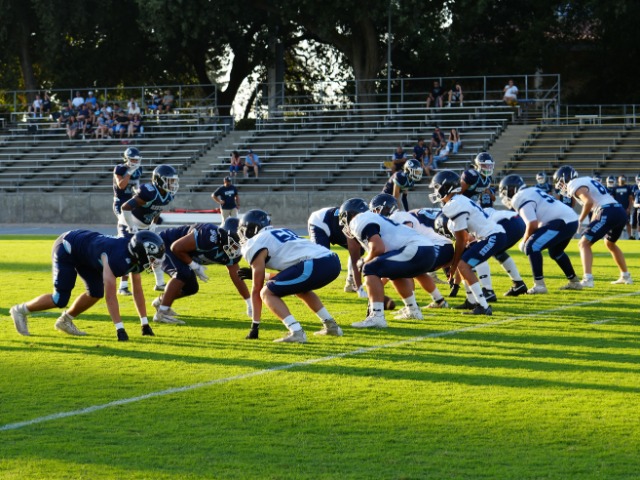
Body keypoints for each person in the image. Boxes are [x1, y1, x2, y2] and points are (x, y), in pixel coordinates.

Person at [9, 230, 164, 341]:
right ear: (141, 253)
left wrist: (144, 324)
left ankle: (65, 321)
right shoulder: (116, 258)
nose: (154, 262)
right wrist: (120, 329)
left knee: (96, 293)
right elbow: (111, 297)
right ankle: (20, 310)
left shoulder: (133, 256)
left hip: (88, 254)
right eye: (152, 258)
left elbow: (138, 291)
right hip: (68, 247)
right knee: (60, 299)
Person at [239, 209, 343, 343]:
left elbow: (256, 289)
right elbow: (289, 275)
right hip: (331, 260)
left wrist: (255, 326)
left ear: (250, 229)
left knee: (267, 292)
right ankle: (331, 326)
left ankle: (296, 332)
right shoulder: (281, 232)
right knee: (300, 289)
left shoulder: (254, 243)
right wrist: (264, 276)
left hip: (314, 263)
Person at [338, 198, 438, 326]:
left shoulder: (358, 220)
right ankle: (413, 310)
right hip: (426, 250)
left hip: (417, 249)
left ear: (350, 214)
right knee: (393, 272)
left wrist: (364, 261)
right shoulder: (371, 217)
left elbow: (378, 248)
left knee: (370, 267)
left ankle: (377, 317)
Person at [429, 170, 510, 315]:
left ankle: (483, 306)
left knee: (463, 265)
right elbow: (464, 239)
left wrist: (453, 267)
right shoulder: (459, 200)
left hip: (491, 236)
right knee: (464, 264)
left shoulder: (454, 204)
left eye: (437, 187)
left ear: (445, 187)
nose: (436, 190)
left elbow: (461, 240)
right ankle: (472, 301)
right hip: (489, 236)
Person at [153, 220, 250, 325]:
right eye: (236, 243)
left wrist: (249, 302)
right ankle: (162, 314)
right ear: (225, 236)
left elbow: (237, 276)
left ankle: (160, 302)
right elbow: (176, 247)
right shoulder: (208, 235)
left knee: (191, 288)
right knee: (182, 273)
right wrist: (194, 265)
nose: (238, 248)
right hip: (165, 244)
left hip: (181, 252)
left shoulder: (231, 253)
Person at [499, 174, 582, 293]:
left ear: (511, 189)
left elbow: (532, 224)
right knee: (556, 252)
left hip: (561, 221)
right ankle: (574, 282)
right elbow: (537, 221)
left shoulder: (518, 197)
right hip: (571, 220)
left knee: (532, 245)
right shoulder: (533, 190)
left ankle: (539, 285)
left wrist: (525, 241)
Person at [554, 165, 632, 287]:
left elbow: (589, 202)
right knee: (610, 243)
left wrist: (579, 220)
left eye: (560, 181)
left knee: (583, 243)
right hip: (618, 210)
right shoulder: (587, 179)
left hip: (607, 211)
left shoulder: (573, 184)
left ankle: (588, 279)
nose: (560, 185)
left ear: (565, 177)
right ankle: (626, 276)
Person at [120, 164, 179, 291]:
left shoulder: (168, 195)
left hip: (145, 226)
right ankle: (123, 287)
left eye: (174, 181)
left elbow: (157, 210)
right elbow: (125, 207)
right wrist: (131, 227)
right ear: (159, 180)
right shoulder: (149, 192)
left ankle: (160, 283)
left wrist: (153, 225)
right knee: (128, 254)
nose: (173, 184)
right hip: (129, 223)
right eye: (170, 181)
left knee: (157, 252)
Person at [307, 206, 366, 297]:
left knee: (360, 250)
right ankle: (300, 283)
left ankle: (351, 282)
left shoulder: (361, 222)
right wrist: (360, 289)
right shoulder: (350, 223)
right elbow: (355, 260)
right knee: (321, 259)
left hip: (336, 227)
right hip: (320, 222)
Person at [113, 147, 144, 295]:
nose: (135, 162)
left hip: (132, 204)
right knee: (127, 241)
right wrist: (129, 172)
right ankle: (123, 285)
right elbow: (121, 186)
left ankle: (124, 285)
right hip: (121, 204)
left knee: (132, 242)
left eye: (137, 160)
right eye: (133, 159)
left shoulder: (139, 169)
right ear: (127, 158)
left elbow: (136, 188)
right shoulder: (120, 168)